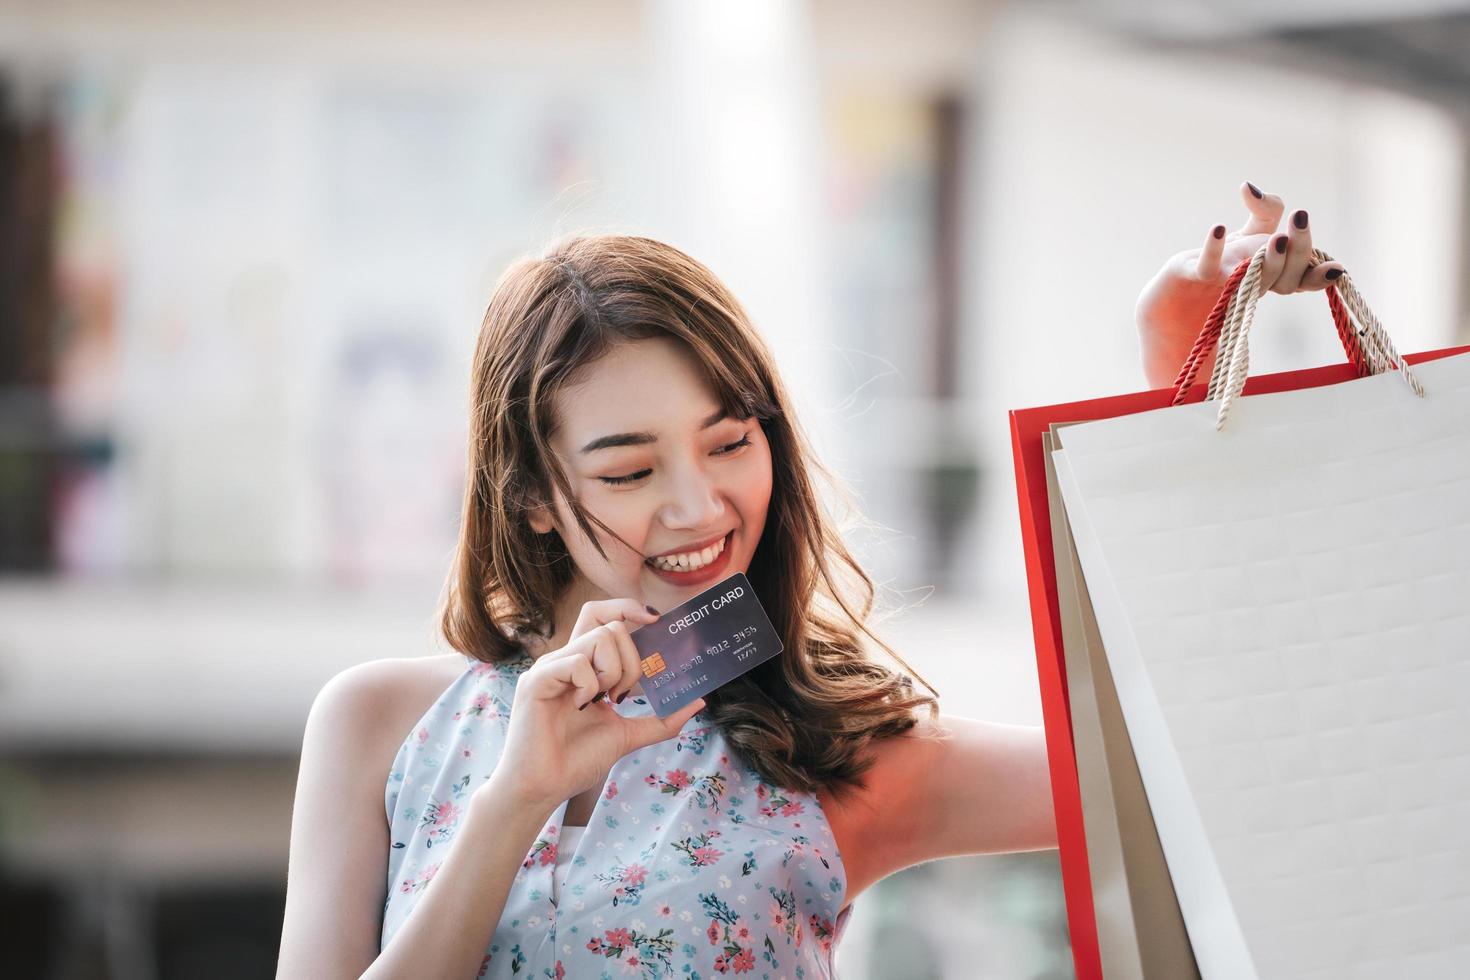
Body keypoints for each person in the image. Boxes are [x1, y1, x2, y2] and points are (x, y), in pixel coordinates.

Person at [277, 182, 1341, 979]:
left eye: (731, 440)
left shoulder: (837, 753)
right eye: (631, 470)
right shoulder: (379, 726)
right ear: (532, 496)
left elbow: (1190, 759)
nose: (698, 506)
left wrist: (1176, 353)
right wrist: (515, 800)